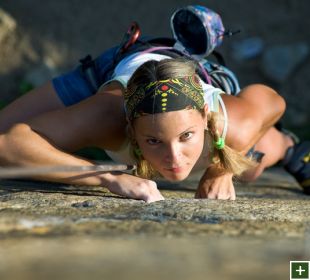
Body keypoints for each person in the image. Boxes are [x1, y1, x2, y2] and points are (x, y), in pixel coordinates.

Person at [0, 5, 309, 202]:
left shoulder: (233, 124)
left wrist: (221, 169)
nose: (174, 157)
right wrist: (109, 177)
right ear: (130, 129)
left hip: (184, 74)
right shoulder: (106, 117)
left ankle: (290, 148)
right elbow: (8, 144)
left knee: (248, 166)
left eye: (186, 136)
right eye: (153, 140)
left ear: (204, 116)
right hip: (113, 70)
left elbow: (273, 102)